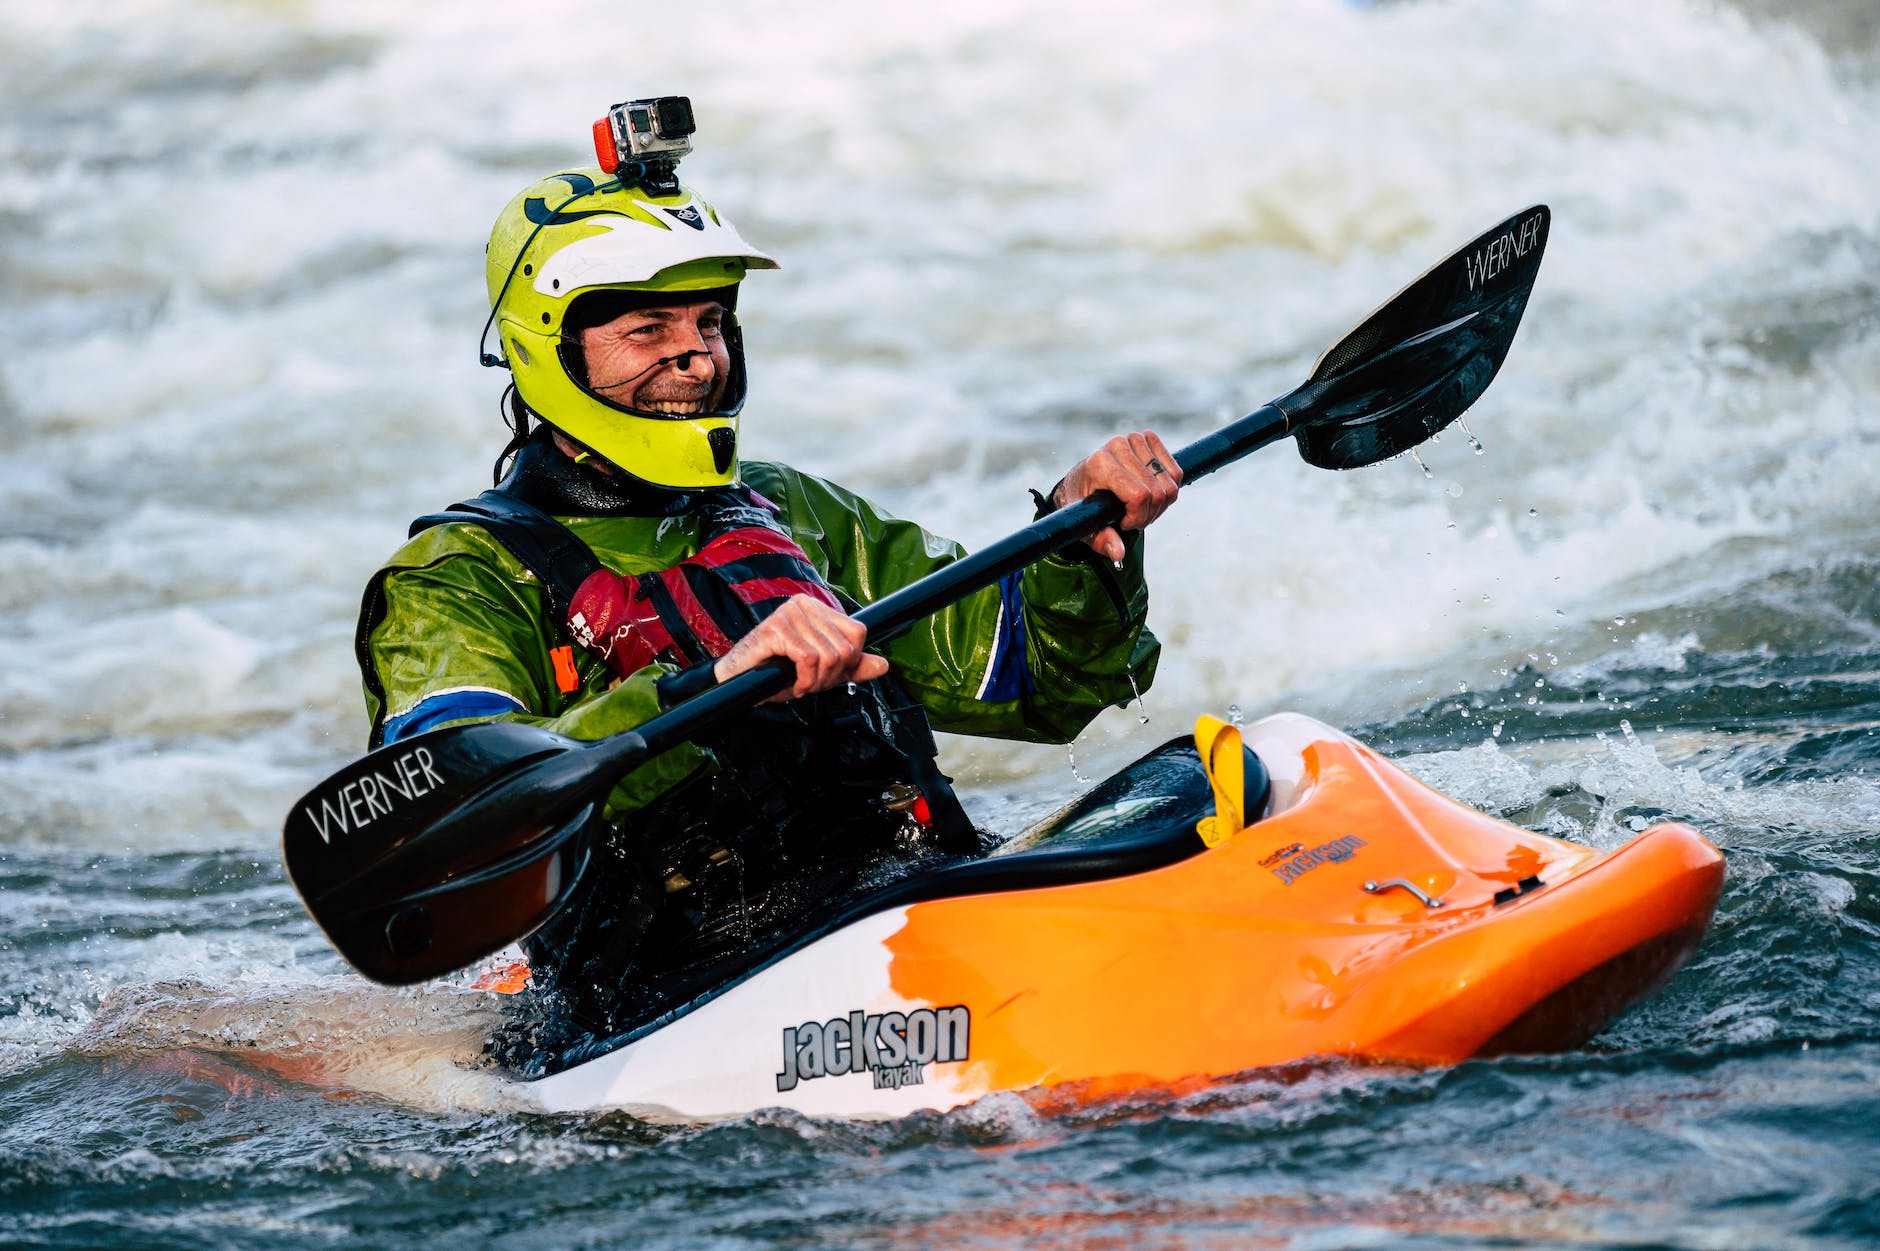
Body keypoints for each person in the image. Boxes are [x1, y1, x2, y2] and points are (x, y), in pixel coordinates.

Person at [355, 162, 1181, 1042]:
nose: (696, 355)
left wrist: (1076, 537)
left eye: (711, 321)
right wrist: (704, 687)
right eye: (648, 328)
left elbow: (1039, 686)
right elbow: (449, 818)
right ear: (548, 348)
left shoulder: (788, 511)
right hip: (667, 1007)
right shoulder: (456, 578)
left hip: (916, 913)